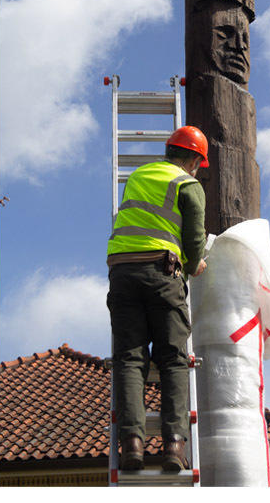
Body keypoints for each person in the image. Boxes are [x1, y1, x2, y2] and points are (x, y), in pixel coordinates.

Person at [106, 126, 209, 472]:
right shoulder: (188, 185)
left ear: (169, 151)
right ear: (195, 159)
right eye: (198, 163)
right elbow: (194, 239)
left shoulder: (138, 174)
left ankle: (132, 444)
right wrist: (195, 265)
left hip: (121, 271)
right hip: (162, 273)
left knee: (130, 359)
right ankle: (174, 446)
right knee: (173, 359)